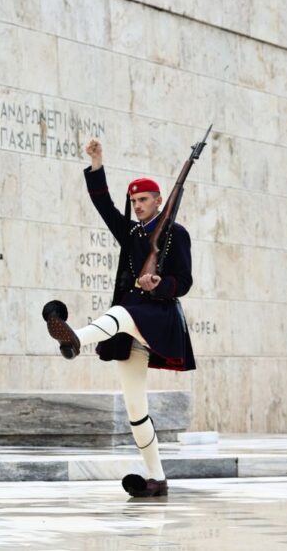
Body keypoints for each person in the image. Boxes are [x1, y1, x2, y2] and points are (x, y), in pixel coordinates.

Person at [43, 138, 194, 498]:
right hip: (129, 328)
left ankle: (75, 337)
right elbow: (103, 204)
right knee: (135, 408)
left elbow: (184, 282)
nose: (138, 206)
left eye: (144, 200)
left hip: (157, 316)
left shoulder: (177, 235)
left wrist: (158, 284)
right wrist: (97, 163)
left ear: (159, 201)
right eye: (134, 201)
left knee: (122, 311)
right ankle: (156, 478)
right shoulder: (129, 233)